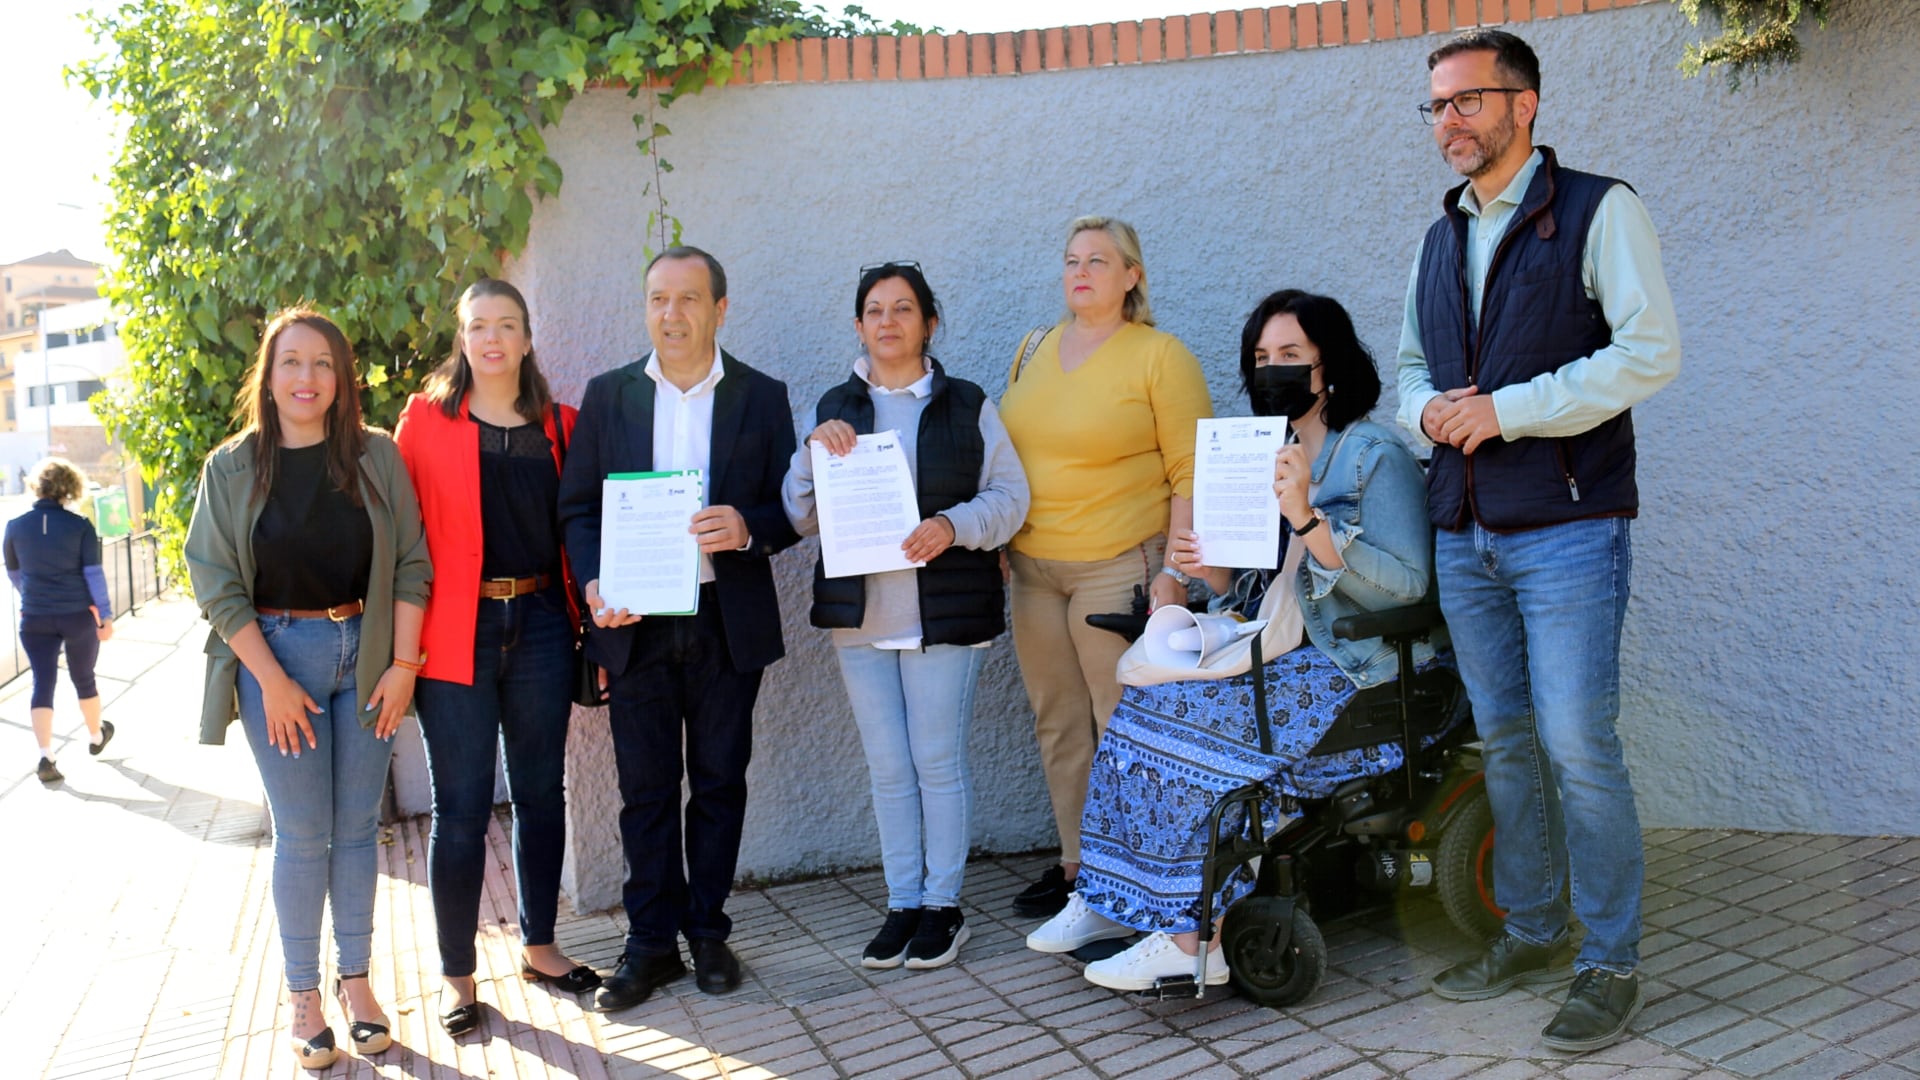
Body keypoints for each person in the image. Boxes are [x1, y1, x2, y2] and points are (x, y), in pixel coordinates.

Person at [1397, 29, 1682, 1053]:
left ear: (1525, 105)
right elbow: (1405, 370)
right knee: (1505, 744)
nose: (1448, 122)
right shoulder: (1439, 237)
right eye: (1435, 106)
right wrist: (1425, 415)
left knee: (1576, 746)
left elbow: (1650, 354)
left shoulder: (1601, 210)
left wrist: (1506, 412)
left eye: (1467, 101)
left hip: (1566, 528)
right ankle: (1531, 930)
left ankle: (1610, 963)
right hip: (1465, 533)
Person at [1025, 289, 1439, 990]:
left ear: (1328, 365)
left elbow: (1408, 584)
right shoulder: (1263, 451)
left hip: (1357, 666)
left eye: (1290, 356)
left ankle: (1194, 939)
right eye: (1260, 358)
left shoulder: (1373, 456)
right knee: (1143, 703)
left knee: (1183, 725)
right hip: (1283, 652)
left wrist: (1308, 519)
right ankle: (1110, 897)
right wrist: (1200, 570)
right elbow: (1254, 593)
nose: (1271, 369)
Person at [185, 308, 431, 1069]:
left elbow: (413, 565)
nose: (307, 378)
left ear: (341, 378)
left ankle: (356, 983)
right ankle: (302, 997)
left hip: (368, 659)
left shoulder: (377, 457)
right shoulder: (232, 467)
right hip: (276, 656)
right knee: (301, 835)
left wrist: (402, 666)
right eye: (292, 362)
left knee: (359, 829)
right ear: (270, 372)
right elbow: (216, 585)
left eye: (323, 364)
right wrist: (272, 682)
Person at [558, 246, 800, 1011]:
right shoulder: (610, 397)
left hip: (728, 624)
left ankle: (709, 933)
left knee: (721, 784)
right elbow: (579, 509)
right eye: (659, 298)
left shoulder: (761, 397)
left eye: (689, 299)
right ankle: (650, 945)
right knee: (646, 793)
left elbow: (790, 510)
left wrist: (748, 527)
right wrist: (594, 582)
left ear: (719, 309)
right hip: (637, 625)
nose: (672, 314)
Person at [782, 263, 1029, 971]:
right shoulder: (834, 409)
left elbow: (1013, 499)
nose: (888, 322)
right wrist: (810, 455)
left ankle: (943, 908)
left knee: (936, 762)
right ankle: (902, 903)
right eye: (874, 310)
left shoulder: (970, 405)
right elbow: (800, 515)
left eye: (903, 309)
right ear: (859, 326)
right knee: (888, 768)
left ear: (929, 323)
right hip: (862, 622)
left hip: (944, 617)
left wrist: (953, 526)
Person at [394, 279, 599, 1037]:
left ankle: (540, 946)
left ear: (525, 337)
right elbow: (401, 541)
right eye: (478, 325)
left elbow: (582, 528)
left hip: (544, 620)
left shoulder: (561, 425)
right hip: (455, 631)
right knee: (462, 806)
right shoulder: (424, 422)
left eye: (506, 325)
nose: (491, 339)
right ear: (462, 335)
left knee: (544, 792)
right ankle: (457, 978)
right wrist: (398, 650)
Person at [997, 216, 1214, 919]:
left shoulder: (1160, 355)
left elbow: (1190, 473)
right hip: (1032, 570)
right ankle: (1078, 870)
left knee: (1120, 722)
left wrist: (1175, 574)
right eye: (1070, 260)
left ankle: (1145, 876)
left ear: (1132, 276)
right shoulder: (1035, 348)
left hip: (1118, 564)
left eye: (1098, 259)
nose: (1080, 271)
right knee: (1057, 721)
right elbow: (1010, 456)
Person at [6, 457, 115, 783]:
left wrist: (33, 594)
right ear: (70, 486)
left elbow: (14, 572)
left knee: (42, 682)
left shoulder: (14, 526)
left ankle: (45, 757)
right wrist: (105, 615)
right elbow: (93, 574)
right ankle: (96, 736)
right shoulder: (80, 526)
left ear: (37, 486)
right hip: (76, 616)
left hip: (34, 617)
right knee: (84, 678)